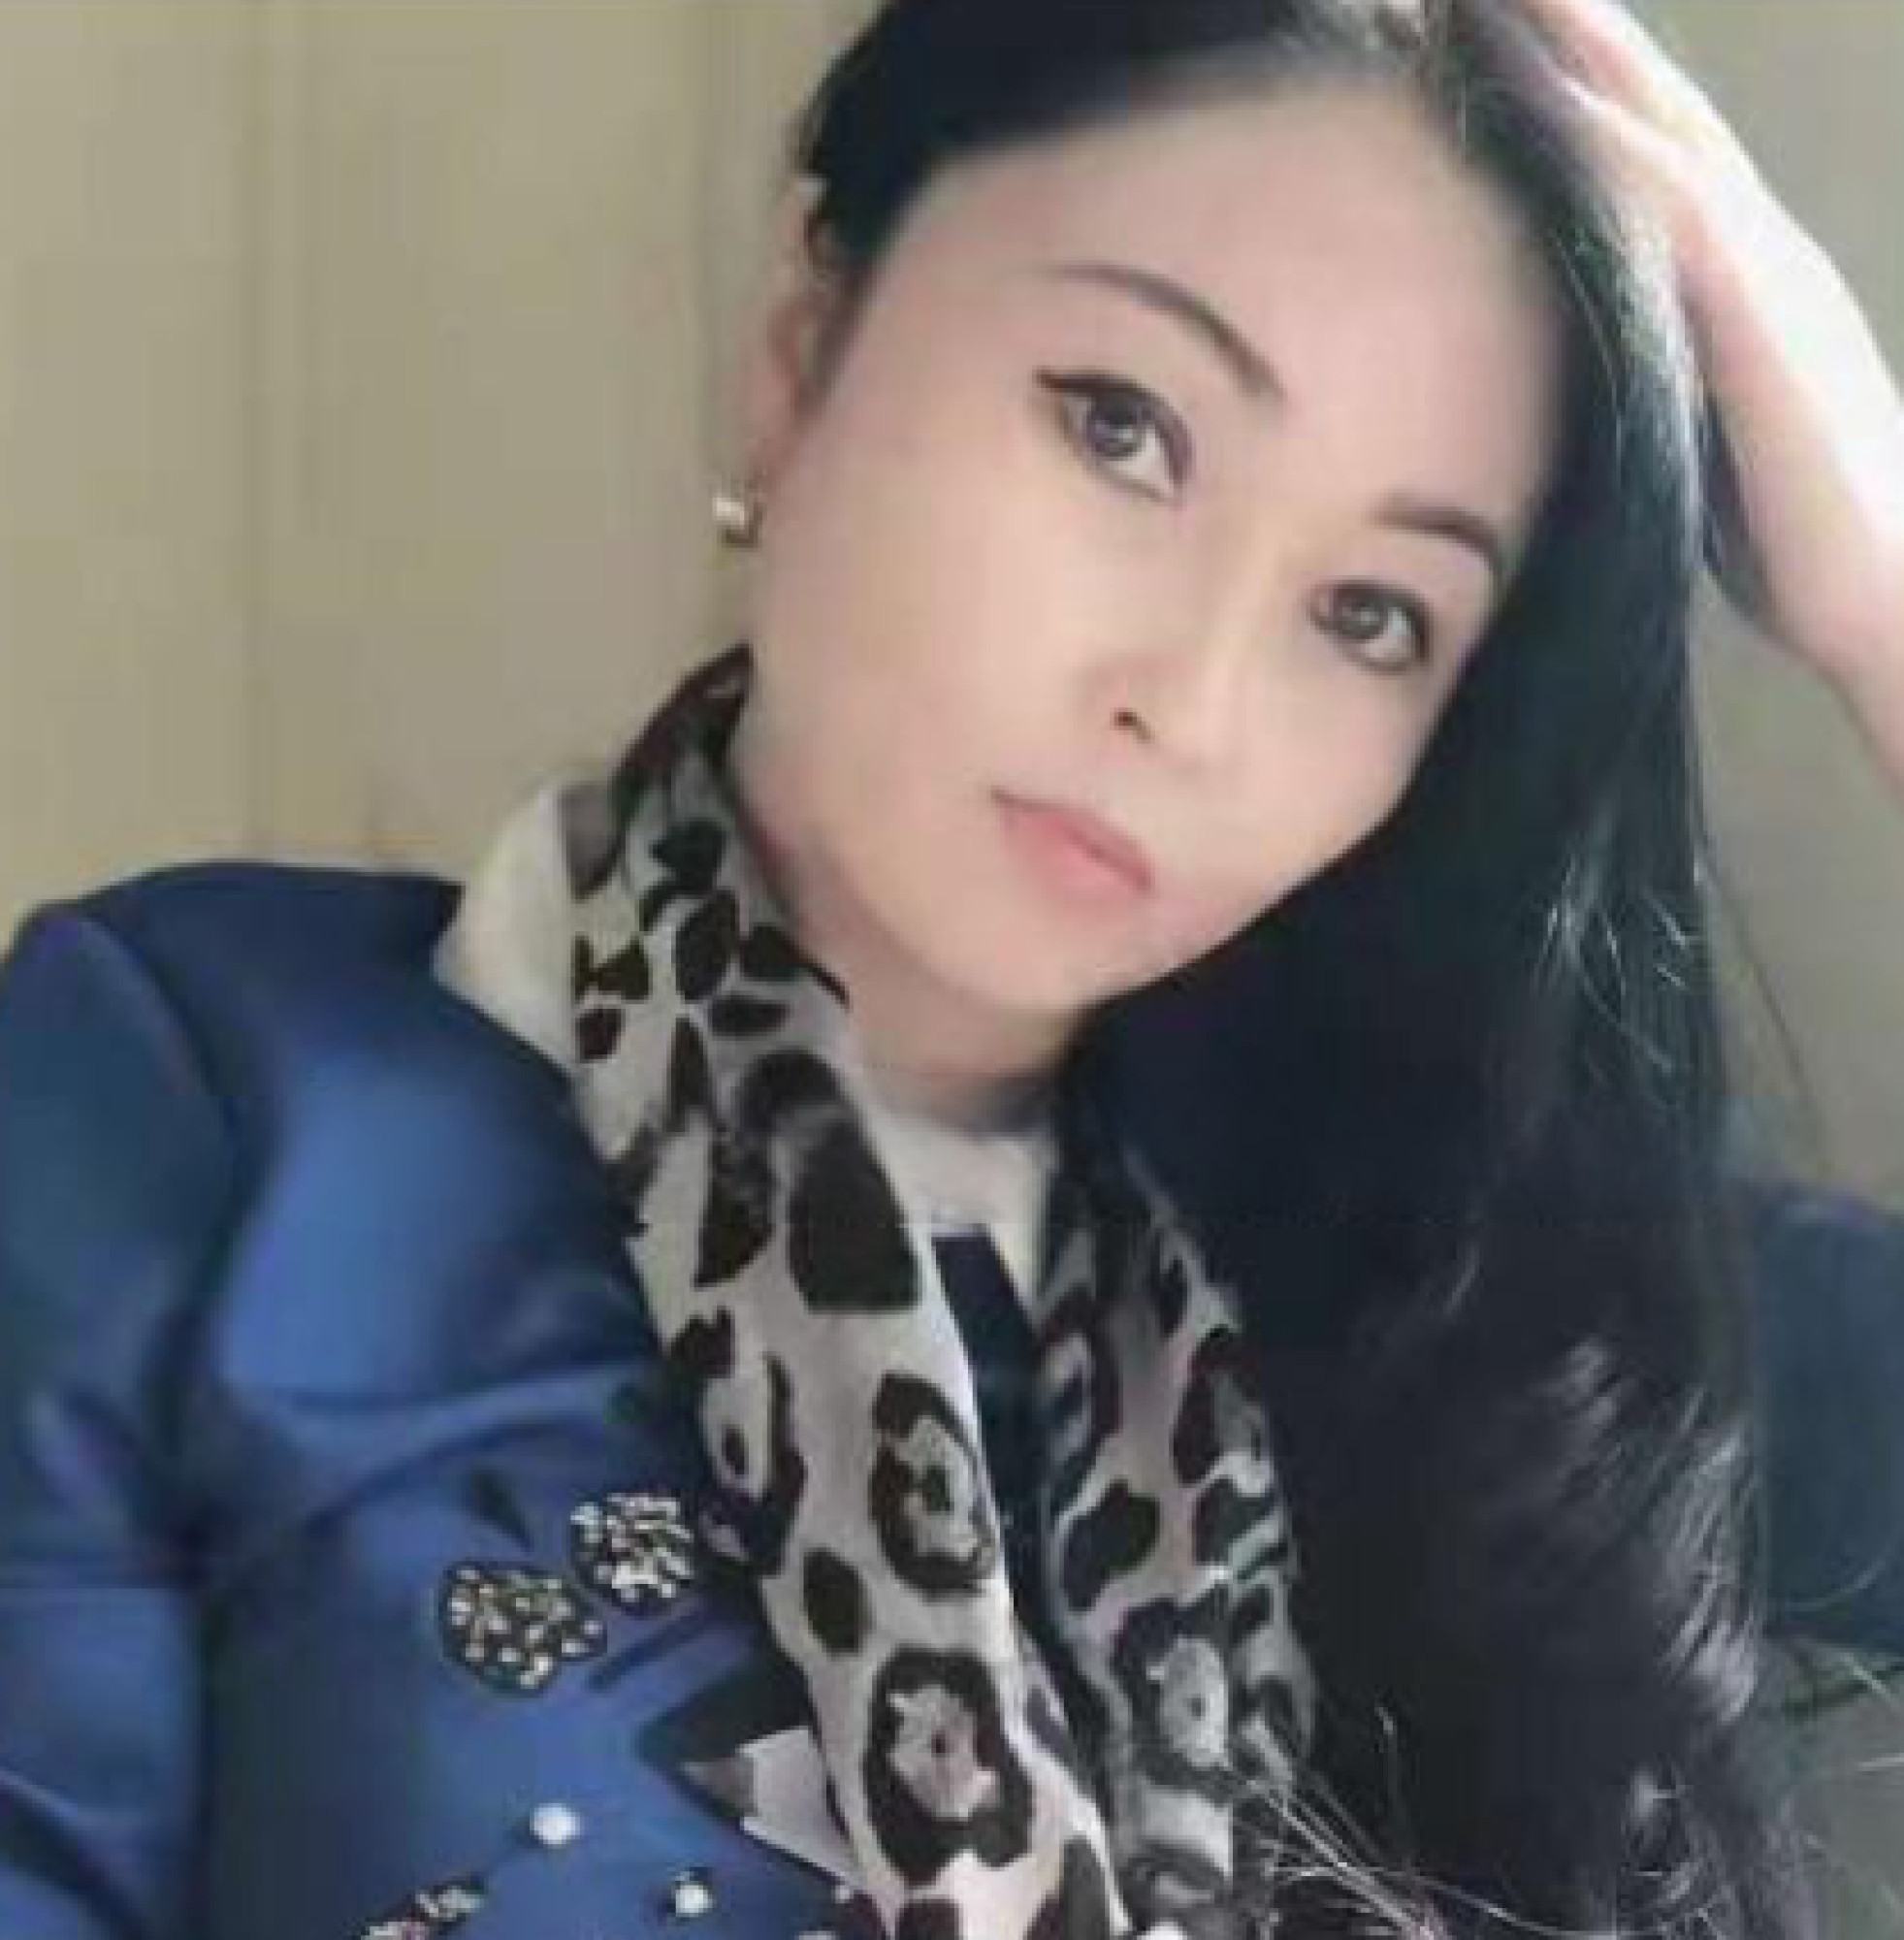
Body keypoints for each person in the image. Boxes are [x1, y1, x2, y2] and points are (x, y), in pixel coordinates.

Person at [1, 0, 1900, 1934]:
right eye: (1120, 428)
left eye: (1369, 612)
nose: (1190, 699)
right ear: (804, 343)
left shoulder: (1500, 1327)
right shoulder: (202, 1108)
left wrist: (1887, 595)